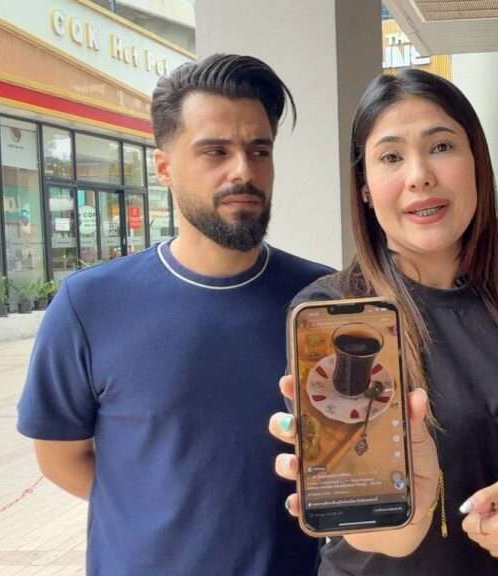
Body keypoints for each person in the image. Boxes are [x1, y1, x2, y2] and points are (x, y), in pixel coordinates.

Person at [267, 68, 498, 575]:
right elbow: (373, 529)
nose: (420, 175)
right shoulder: (340, 316)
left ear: (477, 165)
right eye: (390, 157)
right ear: (364, 187)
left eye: (442, 146)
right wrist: (414, 507)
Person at [17, 54, 331, 575]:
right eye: (215, 151)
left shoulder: (322, 300)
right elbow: (59, 457)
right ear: (163, 167)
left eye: (259, 150)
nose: (243, 171)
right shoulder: (90, 304)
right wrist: (160, 518)